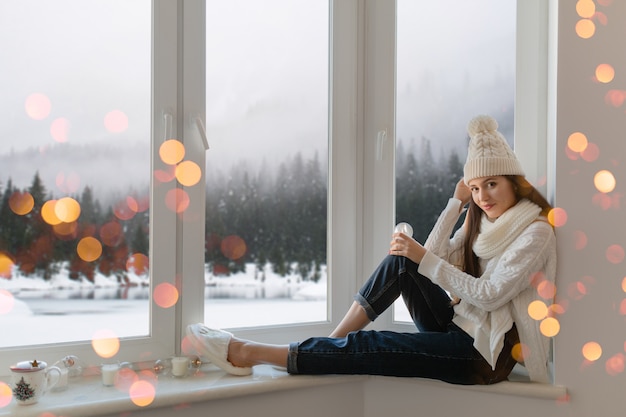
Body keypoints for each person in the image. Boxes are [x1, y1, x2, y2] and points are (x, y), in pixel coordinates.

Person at [187, 114, 557, 385]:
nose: (483, 196)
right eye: (475, 187)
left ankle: (247, 352)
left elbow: (490, 296)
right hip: (460, 328)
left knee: (373, 343)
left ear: (514, 182)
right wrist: (455, 205)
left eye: (491, 184)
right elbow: (429, 256)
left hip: (484, 355)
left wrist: (422, 255)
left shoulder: (535, 231)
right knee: (400, 262)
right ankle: (327, 347)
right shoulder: (483, 223)